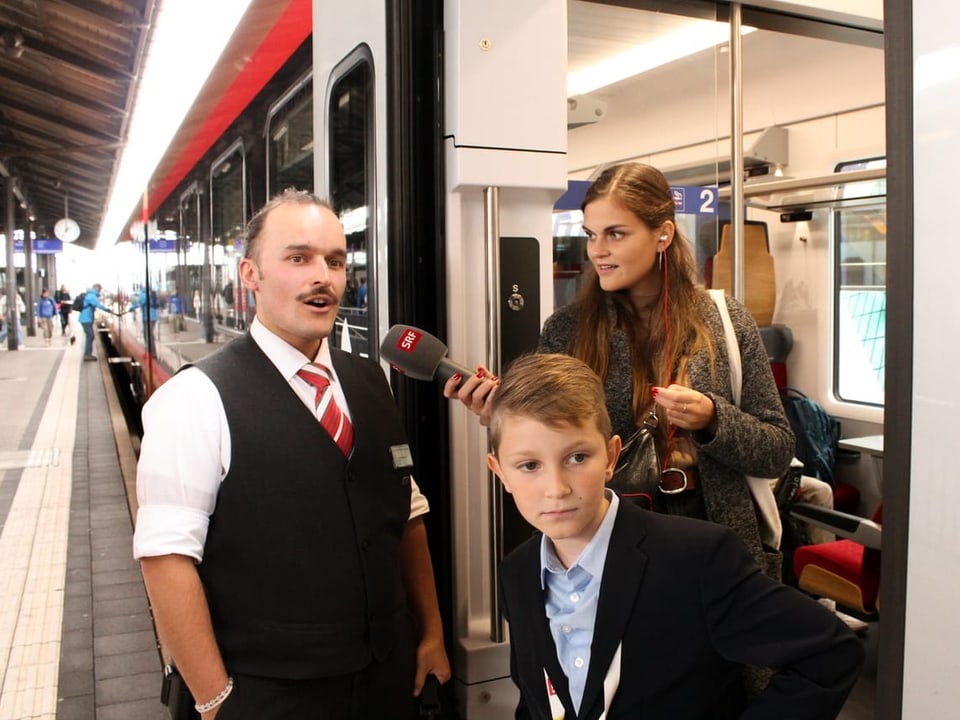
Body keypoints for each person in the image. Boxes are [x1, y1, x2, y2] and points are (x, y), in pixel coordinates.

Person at [133, 189, 451, 719]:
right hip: (268, 694)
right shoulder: (194, 399)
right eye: (298, 258)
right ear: (250, 275)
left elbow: (406, 517)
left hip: (388, 682)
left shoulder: (370, 380)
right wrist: (215, 703)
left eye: (335, 261)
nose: (321, 276)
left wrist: (432, 633)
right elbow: (166, 561)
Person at [446, 162, 794, 580]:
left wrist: (712, 419)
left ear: (662, 235)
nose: (597, 250)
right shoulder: (568, 329)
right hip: (608, 536)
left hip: (715, 527)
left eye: (615, 234)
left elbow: (777, 449)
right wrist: (499, 413)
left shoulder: (724, 321)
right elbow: (552, 437)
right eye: (591, 235)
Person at [488, 353, 864, 720]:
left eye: (577, 458)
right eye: (529, 465)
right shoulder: (516, 574)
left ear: (611, 457)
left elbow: (828, 653)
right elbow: (537, 697)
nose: (556, 488)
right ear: (500, 472)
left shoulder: (696, 558)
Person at [78, 283, 113, 361]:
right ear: (97, 288)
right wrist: (107, 310)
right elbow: (98, 305)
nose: (100, 291)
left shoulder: (90, 295)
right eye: (100, 289)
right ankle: (87, 355)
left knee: (90, 336)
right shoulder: (92, 296)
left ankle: (88, 354)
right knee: (90, 336)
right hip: (86, 319)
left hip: (86, 319)